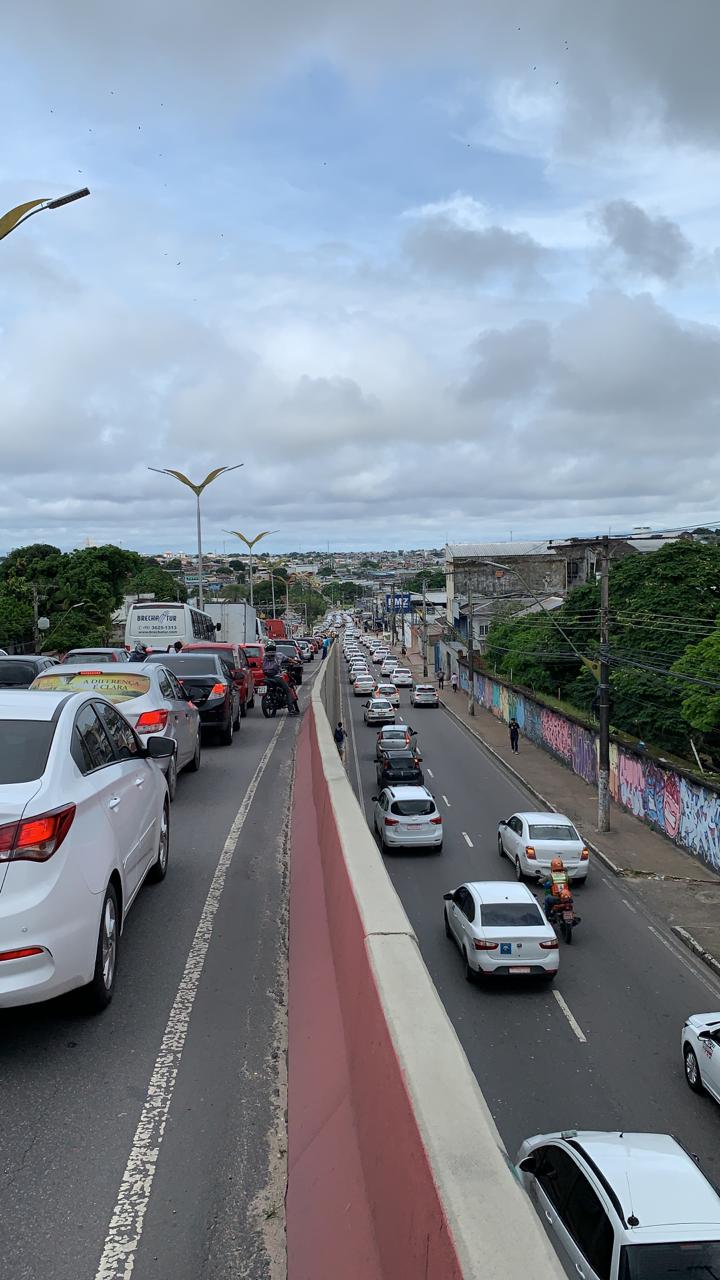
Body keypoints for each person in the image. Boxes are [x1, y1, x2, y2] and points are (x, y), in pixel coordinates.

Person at [262, 642, 297, 714]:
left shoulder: (264, 656)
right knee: (288, 691)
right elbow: (288, 659)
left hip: (267, 678)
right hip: (277, 678)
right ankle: (291, 709)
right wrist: (295, 662)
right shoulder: (279, 655)